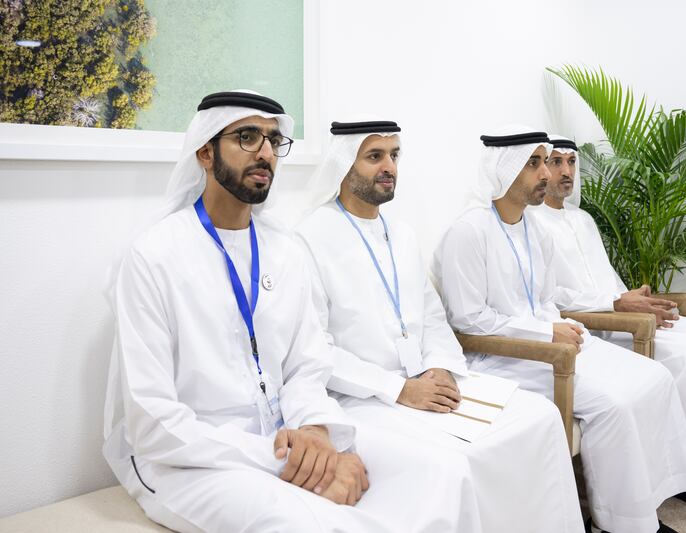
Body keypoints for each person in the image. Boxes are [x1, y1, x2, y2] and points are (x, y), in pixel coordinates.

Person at [102, 92, 481, 533]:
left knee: (441, 476)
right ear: (205, 152)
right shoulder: (153, 256)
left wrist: (317, 433)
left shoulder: (283, 251)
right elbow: (154, 425)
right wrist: (290, 458)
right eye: (247, 137)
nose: (265, 152)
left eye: (273, 139)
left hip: (287, 435)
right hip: (187, 461)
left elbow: (306, 368)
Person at [295, 119, 584, 533]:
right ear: (344, 163)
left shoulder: (402, 233)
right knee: (458, 463)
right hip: (363, 396)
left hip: (426, 380)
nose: (389, 166)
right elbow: (314, 349)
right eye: (374, 156)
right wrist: (400, 389)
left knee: (539, 418)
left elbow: (432, 317)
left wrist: (440, 367)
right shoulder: (309, 237)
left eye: (394, 155)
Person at [433, 126, 686, 533]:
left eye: (545, 162)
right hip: (501, 358)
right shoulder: (468, 231)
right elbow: (469, 322)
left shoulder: (533, 228)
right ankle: (618, 523)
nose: (545, 173)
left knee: (654, 376)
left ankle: (643, 505)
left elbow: (543, 302)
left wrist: (561, 325)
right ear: (503, 170)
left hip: (551, 343)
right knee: (612, 405)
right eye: (534, 163)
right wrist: (547, 335)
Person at [533, 134, 686, 518]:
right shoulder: (532, 223)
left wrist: (639, 299)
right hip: (601, 324)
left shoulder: (583, 219)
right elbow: (552, 297)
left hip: (625, 311)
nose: (566, 171)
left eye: (571, 162)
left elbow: (605, 279)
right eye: (555, 162)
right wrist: (618, 304)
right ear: (538, 168)